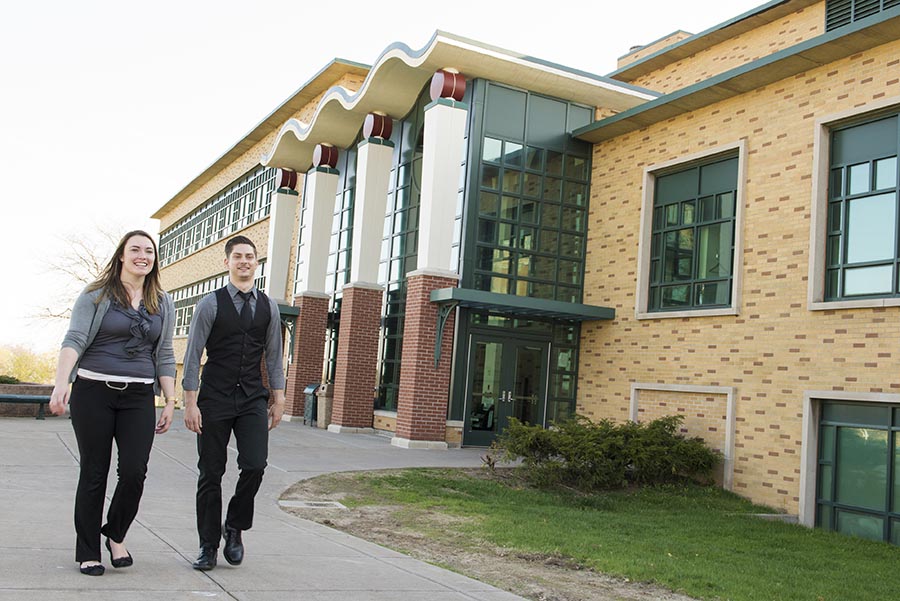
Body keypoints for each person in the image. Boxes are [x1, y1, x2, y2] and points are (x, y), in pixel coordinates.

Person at [49, 230, 177, 576]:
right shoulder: (96, 294)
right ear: (121, 255)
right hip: (94, 391)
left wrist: (169, 400)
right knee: (94, 471)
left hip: (139, 395)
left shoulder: (162, 302)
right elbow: (74, 338)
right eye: (135, 249)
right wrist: (62, 382)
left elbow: (164, 353)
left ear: (154, 259)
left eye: (149, 251)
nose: (142, 255)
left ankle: (115, 534)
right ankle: (88, 550)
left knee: (135, 471)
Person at [182, 235, 285, 570]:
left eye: (250, 256)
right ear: (227, 262)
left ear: (257, 263)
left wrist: (278, 398)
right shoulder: (209, 304)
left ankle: (235, 526)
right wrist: (190, 401)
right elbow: (193, 353)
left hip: (252, 398)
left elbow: (273, 356)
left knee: (255, 464)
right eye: (238, 256)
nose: (244, 261)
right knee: (210, 473)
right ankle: (208, 546)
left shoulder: (268, 306)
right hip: (213, 397)